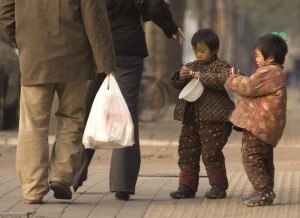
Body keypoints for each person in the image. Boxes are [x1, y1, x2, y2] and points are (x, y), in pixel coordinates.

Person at [0, 0, 117, 204]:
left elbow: (5, 11)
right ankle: (62, 176)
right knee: (72, 117)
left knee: (33, 124)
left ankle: (33, 189)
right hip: (75, 56)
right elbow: (94, 15)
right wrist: (106, 61)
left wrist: (22, 40)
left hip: (34, 56)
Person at [72, 0, 185, 201]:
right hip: (128, 49)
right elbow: (155, 6)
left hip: (96, 47)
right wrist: (172, 28)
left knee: (84, 111)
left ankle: (72, 174)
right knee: (125, 114)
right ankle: (122, 184)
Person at [169, 28, 235, 199]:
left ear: (214, 50)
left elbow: (225, 80)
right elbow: (177, 84)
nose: (198, 55)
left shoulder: (223, 66)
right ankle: (186, 186)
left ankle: (218, 186)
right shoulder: (191, 66)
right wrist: (181, 76)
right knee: (187, 151)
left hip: (215, 121)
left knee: (211, 152)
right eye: (196, 51)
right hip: (191, 118)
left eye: (202, 51)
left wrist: (202, 76)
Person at [225, 33, 288, 207]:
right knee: (264, 158)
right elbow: (254, 85)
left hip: (259, 125)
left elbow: (250, 87)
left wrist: (232, 80)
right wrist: (243, 77)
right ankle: (265, 189)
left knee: (251, 157)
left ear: (271, 58)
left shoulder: (270, 72)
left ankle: (263, 190)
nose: (256, 59)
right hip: (268, 127)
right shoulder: (276, 73)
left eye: (258, 55)